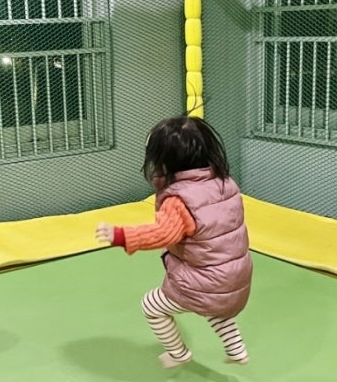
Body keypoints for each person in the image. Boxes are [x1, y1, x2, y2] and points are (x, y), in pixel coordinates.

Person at [96, 115, 252, 368]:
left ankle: (178, 354)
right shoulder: (225, 184)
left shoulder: (179, 201)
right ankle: (237, 350)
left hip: (205, 280)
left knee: (152, 306)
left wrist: (122, 236)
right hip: (235, 275)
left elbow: (163, 233)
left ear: (164, 162)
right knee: (215, 307)